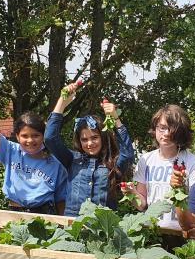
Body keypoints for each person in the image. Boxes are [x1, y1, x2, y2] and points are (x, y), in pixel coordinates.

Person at [0, 76, 68, 214]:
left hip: (44, 214)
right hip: (14, 213)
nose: (30, 140)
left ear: (43, 136)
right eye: (24, 136)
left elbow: (61, 200)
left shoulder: (55, 163)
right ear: (17, 136)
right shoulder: (10, 151)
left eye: (36, 135)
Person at [44, 83, 135, 216]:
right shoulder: (72, 160)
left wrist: (115, 118)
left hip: (103, 226)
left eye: (94, 137)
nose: (90, 143)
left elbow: (127, 154)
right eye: (84, 139)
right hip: (74, 225)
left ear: (103, 138)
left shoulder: (113, 164)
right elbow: (50, 138)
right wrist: (62, 102)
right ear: (79, 141)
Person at [123, 104, 195, 230]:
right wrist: (131, 193)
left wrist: (181, 188)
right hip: (152, 231)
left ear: (181, 132)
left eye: (172, 129)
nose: (166, 133)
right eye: (162, 128)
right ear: (155, 129)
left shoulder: (192, 162)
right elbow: (142, 205)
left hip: (181, 232)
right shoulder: (146, 160)